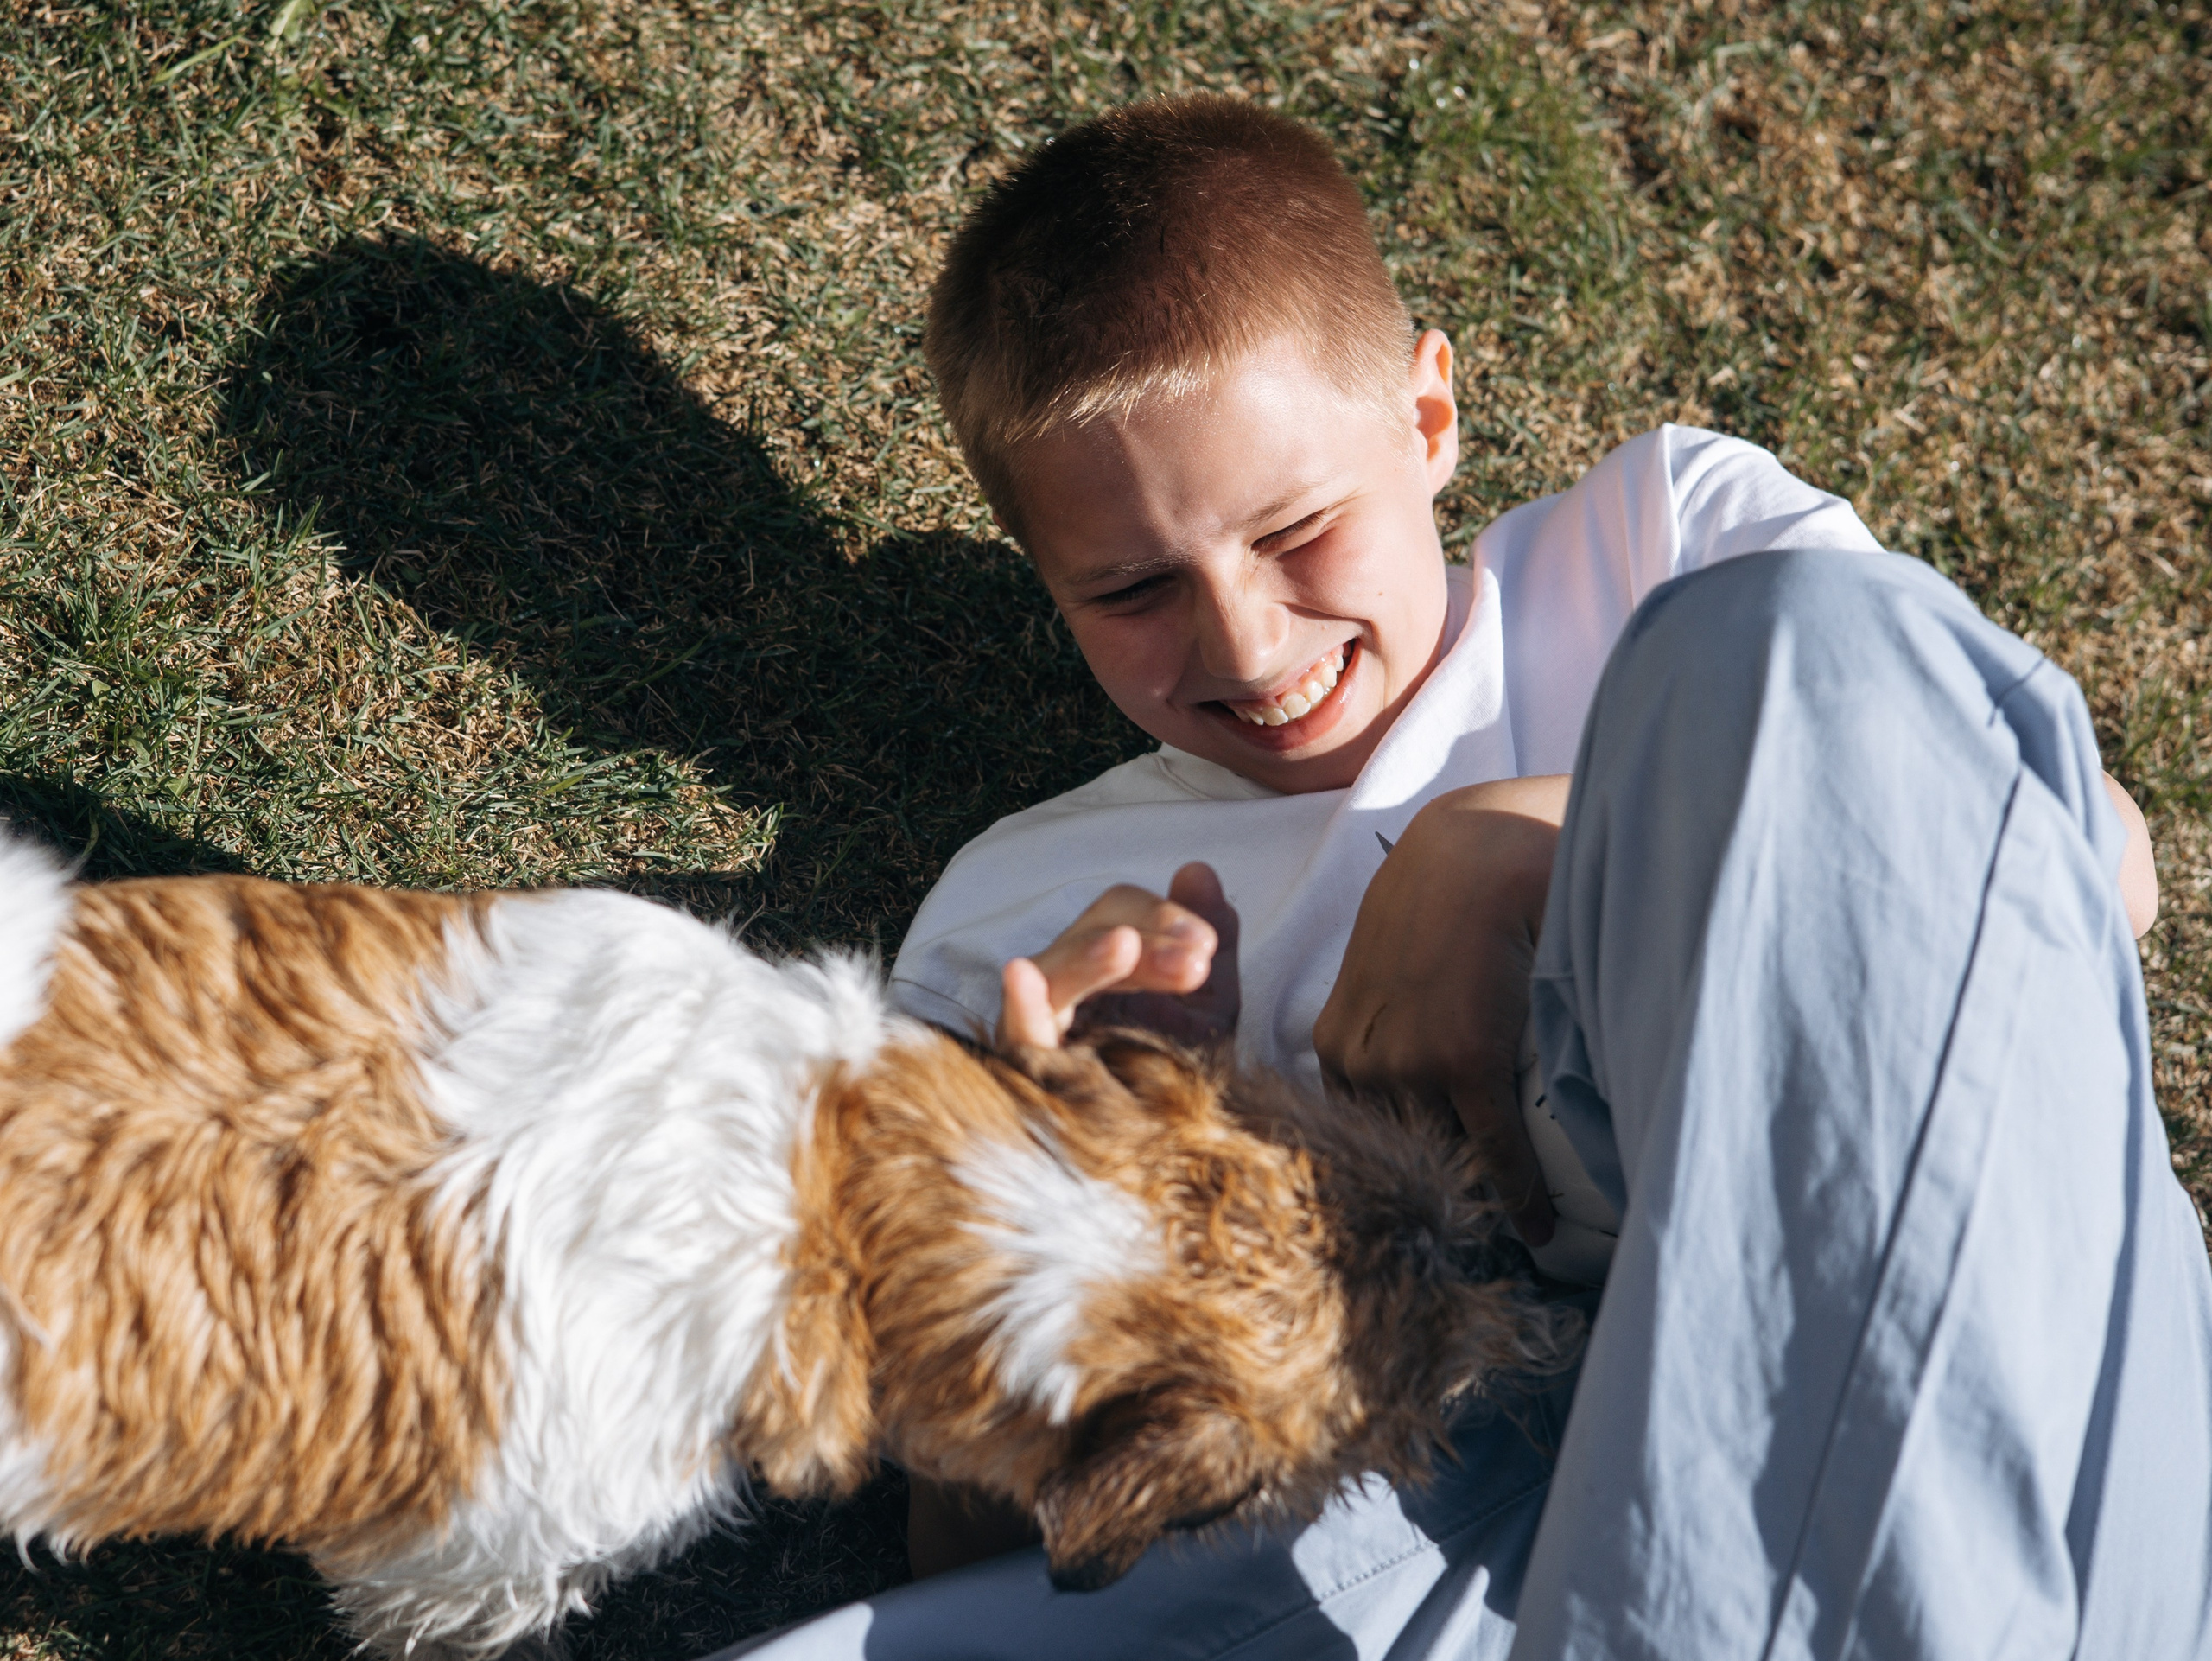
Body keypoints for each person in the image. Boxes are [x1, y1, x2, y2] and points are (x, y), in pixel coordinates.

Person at [712, 95, 2206, 1660]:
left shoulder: (1659, 548)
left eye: (1296, 529)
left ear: (1428, 422)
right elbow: (972, 1543)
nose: (1246, 642)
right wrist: (1100, 1226)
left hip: (2013, 1414)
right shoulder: (1031, 920)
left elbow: (2094, 863)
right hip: (1422, 1530)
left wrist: (1510, 844)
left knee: (1795, 652)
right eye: (1137, 590)